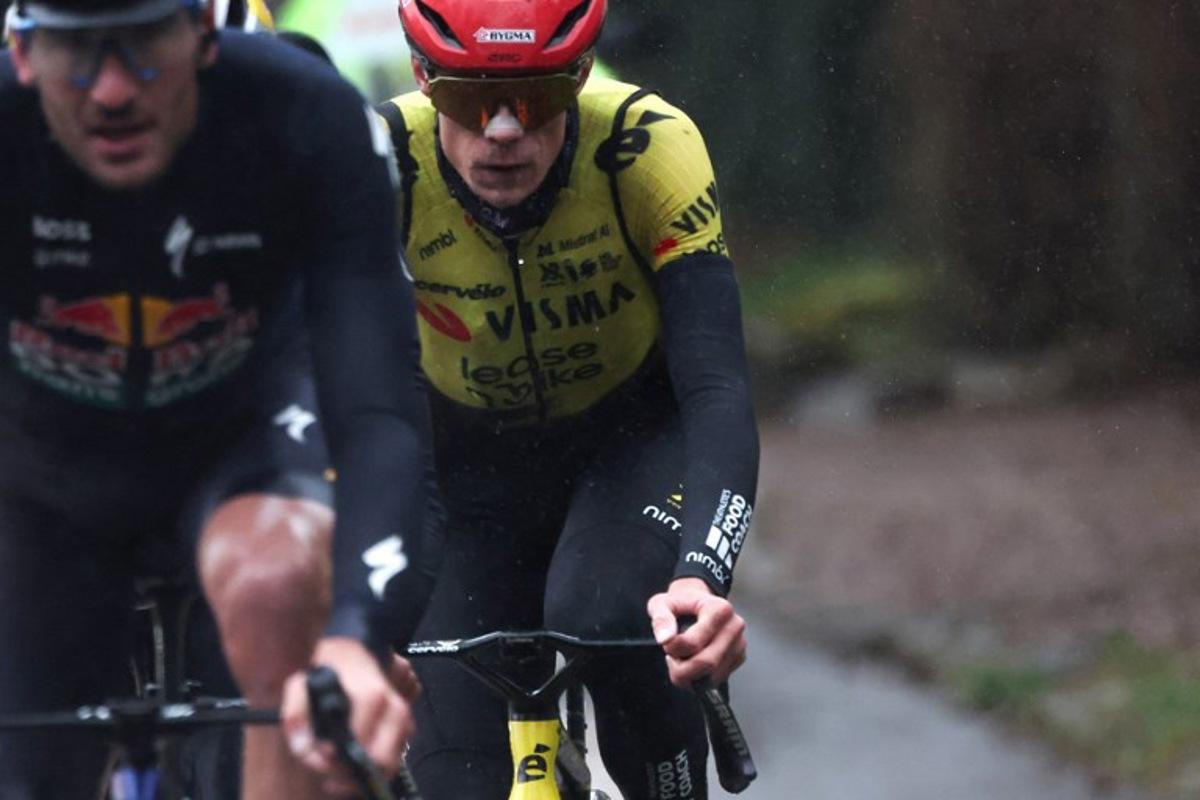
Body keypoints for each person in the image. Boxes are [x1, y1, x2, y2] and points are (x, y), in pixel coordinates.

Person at [0, 0, 439, 797]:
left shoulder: (303, 112)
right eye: (78, 53)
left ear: (204, 31)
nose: (111, 92)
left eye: (141, 47)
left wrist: (354, 633)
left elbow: (376, 410)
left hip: (240, 444)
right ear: (22, 53)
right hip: (45, 479)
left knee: (275, 589)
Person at [375, 0, 760, 797]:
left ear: (583, 74)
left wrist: (701, 577)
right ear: (421, 77)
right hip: (465, 473)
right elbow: (350, 395)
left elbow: (716, 383)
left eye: (539, 97)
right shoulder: (379, 162)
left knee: (611, 616)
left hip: (629, 446)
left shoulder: (645, 145)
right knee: (456, 776)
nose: (505, 130)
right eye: (468, 99)